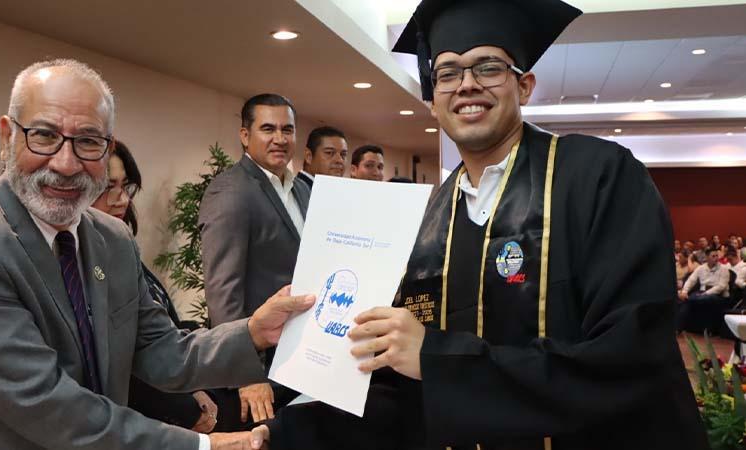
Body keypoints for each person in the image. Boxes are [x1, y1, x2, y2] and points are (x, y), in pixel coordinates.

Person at [258, 1, 708, 449]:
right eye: (448, 73)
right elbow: (406, 385)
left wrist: (438, 361)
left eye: (488, 67)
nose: (467, 85)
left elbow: (630, 353)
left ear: (525, 86)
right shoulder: (426, 223)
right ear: (433, 101)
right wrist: (285, 430)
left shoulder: (600, 178)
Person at [0, 59, 314, 450]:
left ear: (107, 147)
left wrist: (254, 331)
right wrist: (204, 444)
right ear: (7, 136)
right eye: (44, 135)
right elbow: (47, 404)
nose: (66, 164)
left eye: (87, 141)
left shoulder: (112, 238)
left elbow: (162, 350)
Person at [199, 93, 310, 430]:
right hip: (261, 366)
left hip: (301, 356)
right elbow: (223, 291)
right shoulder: (230, 191)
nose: (280, 138)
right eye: (268, 129)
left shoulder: (303, 188)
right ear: (245, 135)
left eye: (287, 129)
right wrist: (245, 373)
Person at [91, 140, 217, 433]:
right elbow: (123, 362)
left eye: (126, 187)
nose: (120, 199)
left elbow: (158, 335)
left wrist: (191, 387)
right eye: (108, 187)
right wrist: (185, 411)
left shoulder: (124, 251)